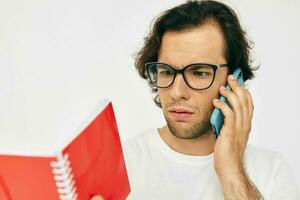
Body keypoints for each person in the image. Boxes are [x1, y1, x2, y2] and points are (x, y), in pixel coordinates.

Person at [92, 0, 299, 199]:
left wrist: (233, 173)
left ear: (234, 81)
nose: (176, 92)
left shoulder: (272, 172)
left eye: (199, 73)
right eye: (166, 71)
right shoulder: (120, 167)